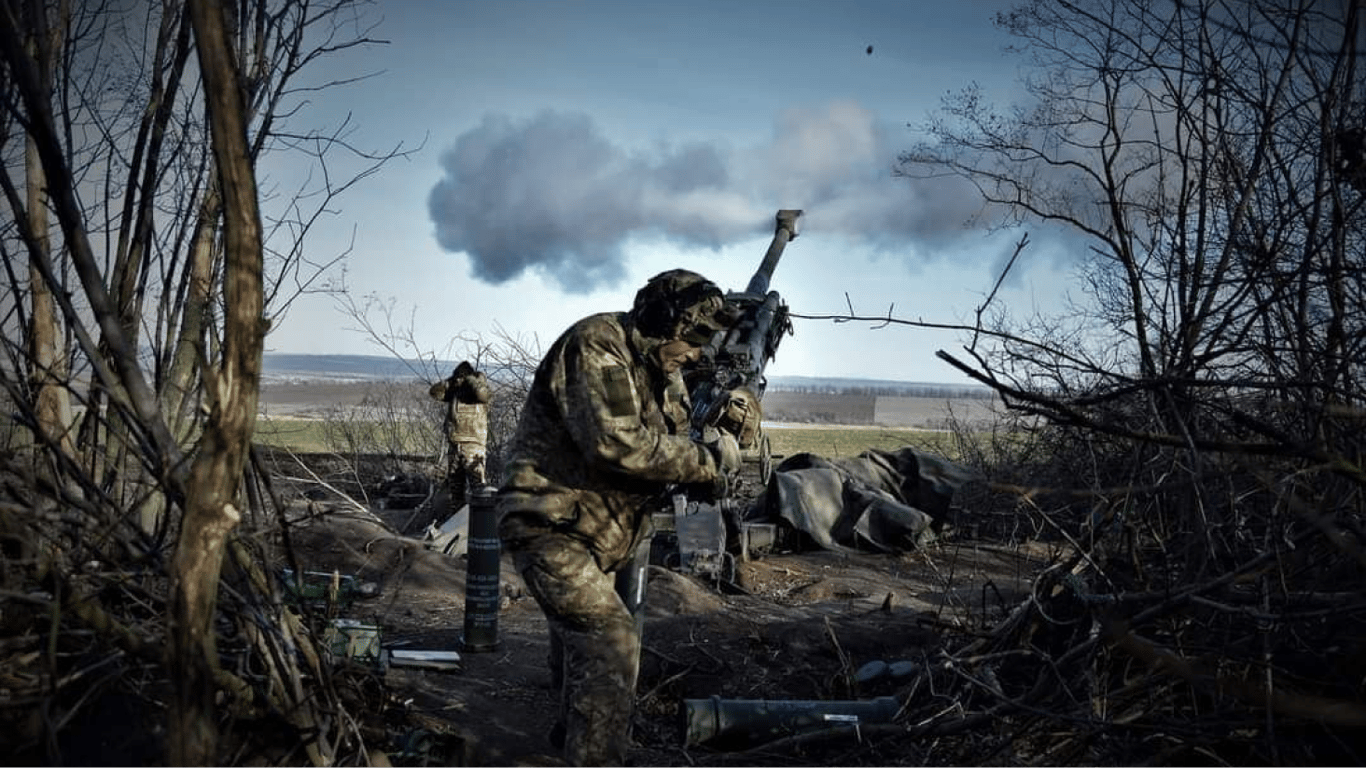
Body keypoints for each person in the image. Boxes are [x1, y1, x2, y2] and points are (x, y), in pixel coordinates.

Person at [497, 269, 754, 768]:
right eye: (692, 339)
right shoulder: (598, 346)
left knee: (580, 652)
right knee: (608, 638)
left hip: (601, 529)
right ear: (660, 323)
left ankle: (578, 738)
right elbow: (617, 442)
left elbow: (671, 445)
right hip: (550, 524)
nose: (696, 353)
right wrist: (706, 459)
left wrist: (717, 454)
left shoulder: (665, 374)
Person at [429, 360, 492, 514]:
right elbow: (434, 392)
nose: (458, 380)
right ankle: (457, 522)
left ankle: (482, 526)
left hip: (473, 445)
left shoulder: (478, 390)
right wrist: (452, 381)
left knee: (479, 491)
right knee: (455, 491)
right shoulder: (456, 392)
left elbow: (482, 394)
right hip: (455, 445)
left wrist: (470, 378)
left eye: (460, 377)